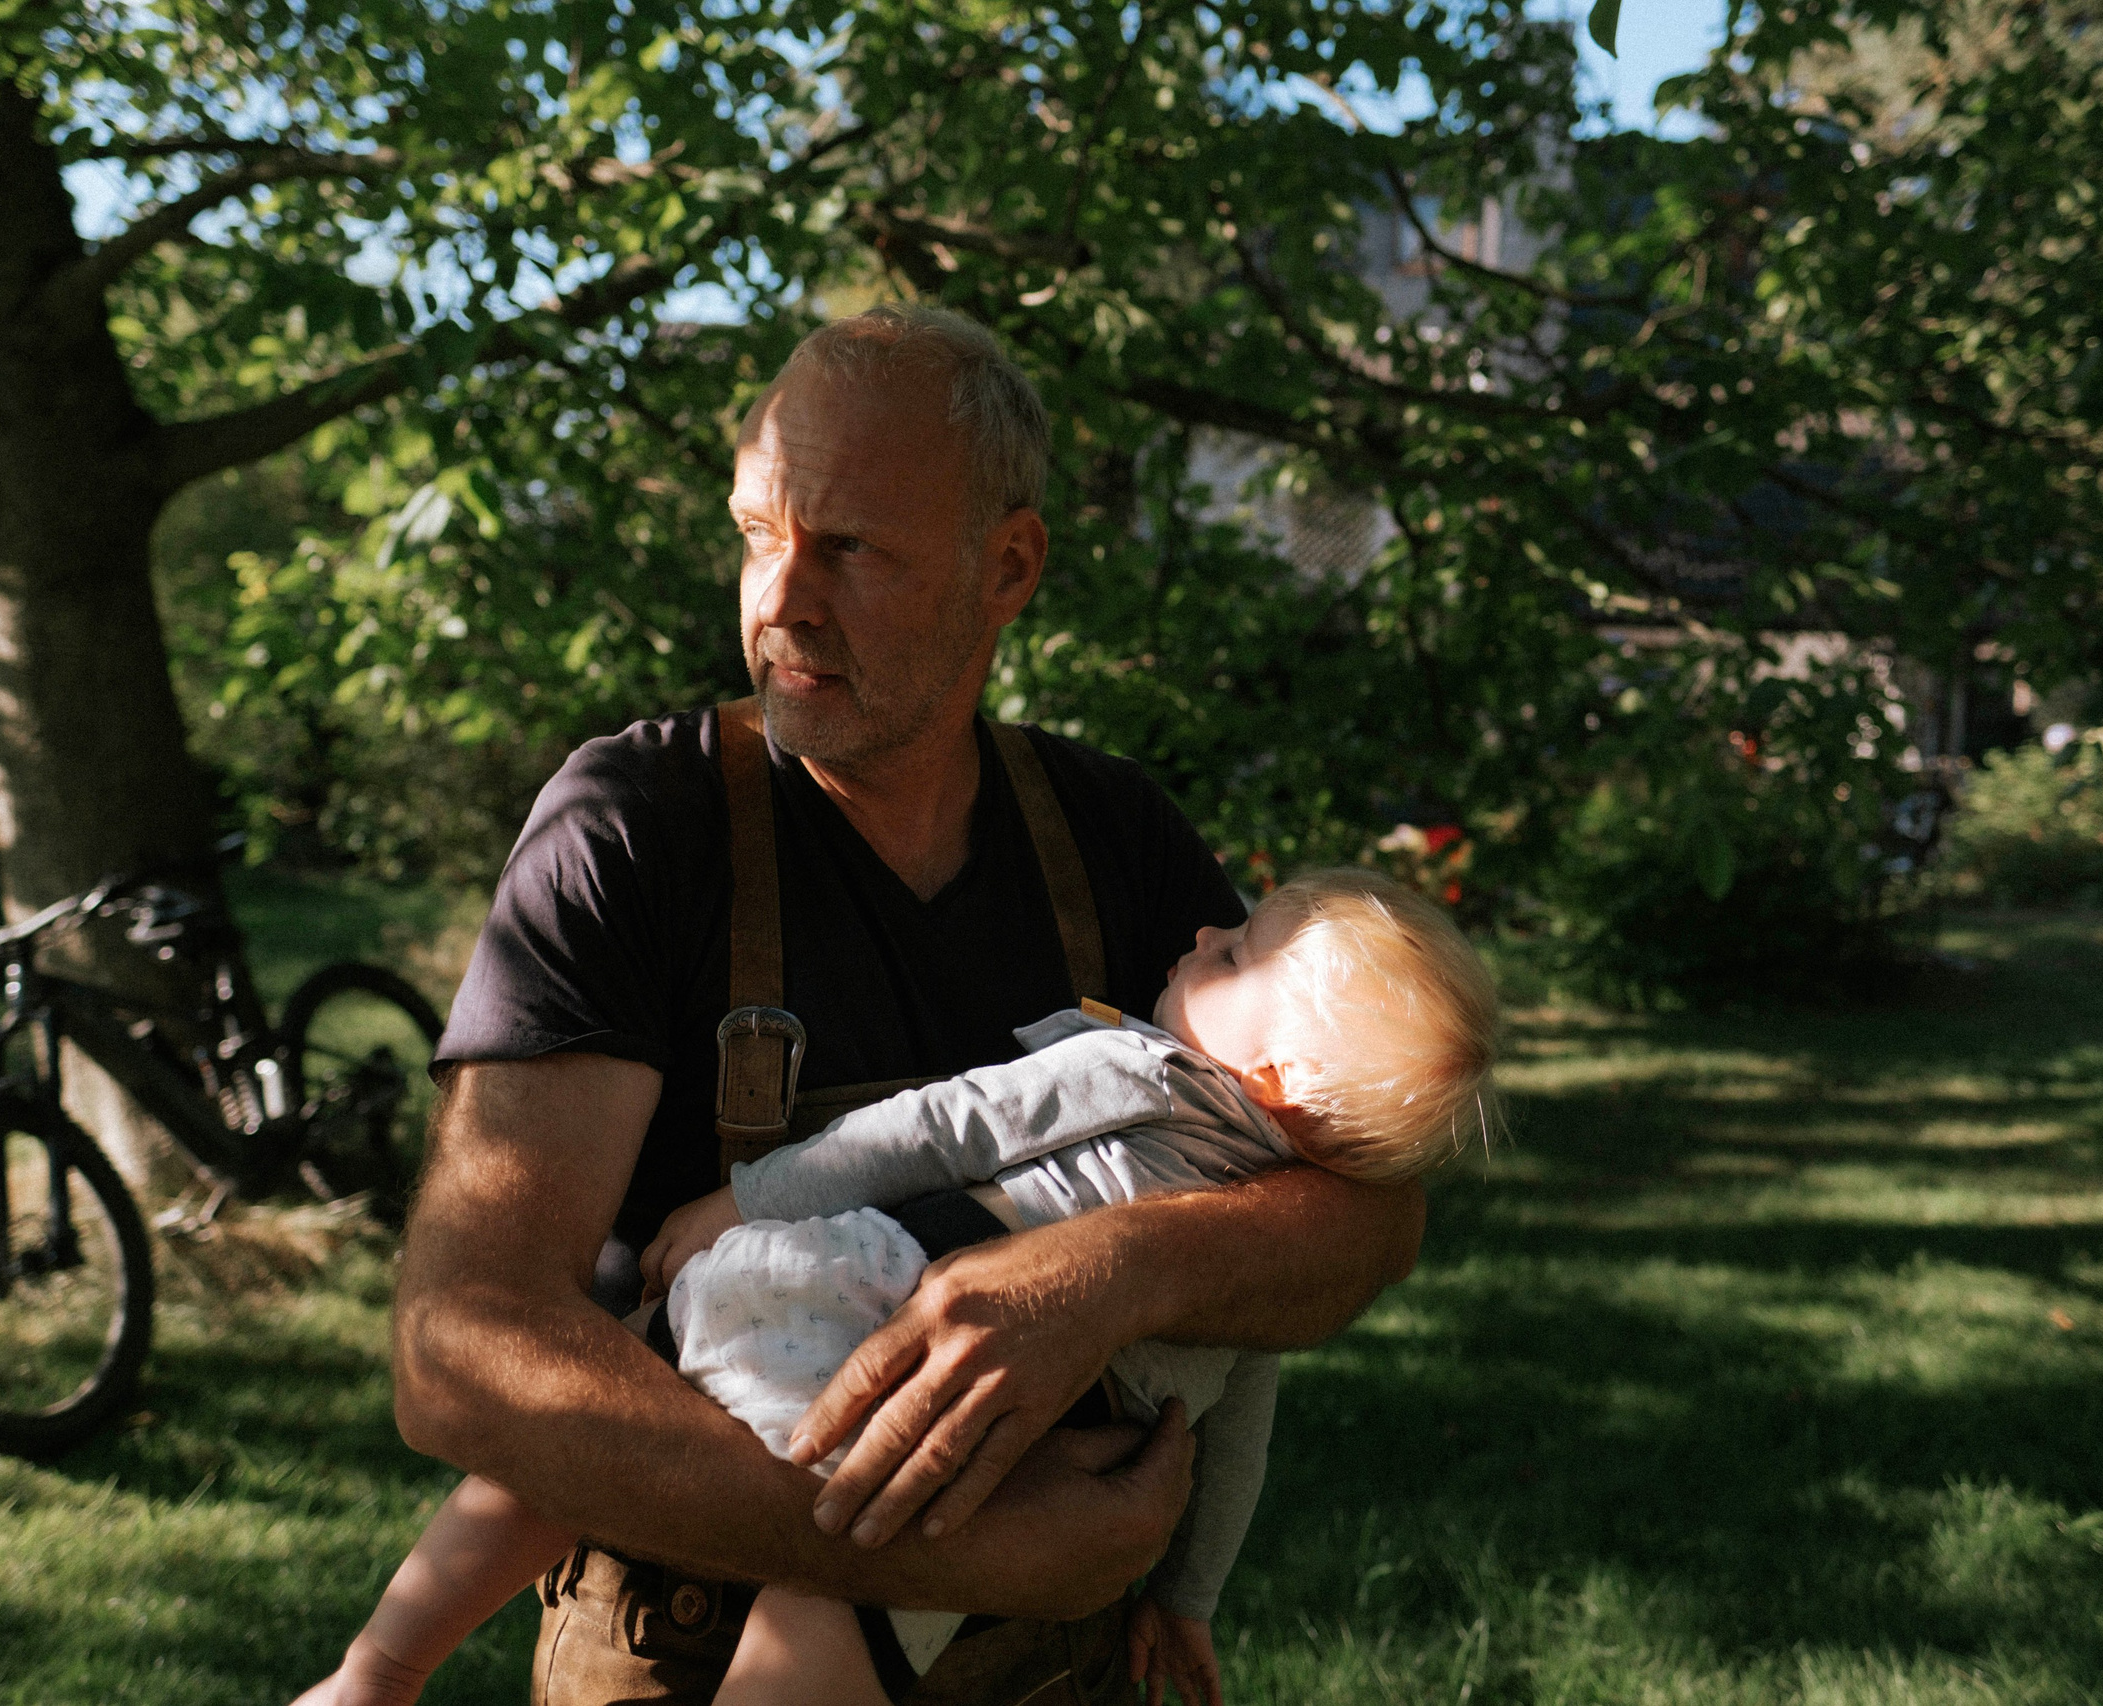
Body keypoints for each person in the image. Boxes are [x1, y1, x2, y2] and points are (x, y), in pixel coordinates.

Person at [391, 303, 1435, 1706]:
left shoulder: (1117, 839)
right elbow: (461, 1353)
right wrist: (950, 1546)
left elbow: (1370, 1213)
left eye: (852, 548)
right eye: (761, 531)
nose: (782, 599)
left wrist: (1106, 1276)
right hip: (694, 1650)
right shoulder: (636, 829)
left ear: (1008, 566)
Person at [302, 872, 1497, 1706]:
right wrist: (1190, 1593)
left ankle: (384, 1668)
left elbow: (943, 1124)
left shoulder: (1143, 1064)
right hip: (985, 1468)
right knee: (836, 1628)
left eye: (1236, 952)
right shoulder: (1259, 1250)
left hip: (847, 1302)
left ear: (1274, 1074)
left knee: (586, 1427)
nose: (1205, 931)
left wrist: (750, 1196)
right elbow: (1233, 1434)